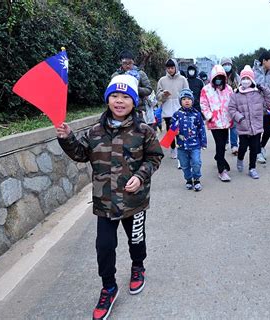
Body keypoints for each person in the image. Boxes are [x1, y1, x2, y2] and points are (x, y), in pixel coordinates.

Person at [55, 74, 164, 319]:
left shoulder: (143, 130)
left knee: (136, 240)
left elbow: (154, 157)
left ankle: (138, 267)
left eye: (125, 96)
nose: (119, 101)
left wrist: (141, 176)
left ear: (134, 102)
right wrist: (67, 138)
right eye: (114, 95)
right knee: (104, 247)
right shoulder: (94, 131)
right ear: (107, 99)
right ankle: (109, 287)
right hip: (104, 202)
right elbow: (81, 154)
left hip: (134, 202)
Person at [228, 65, 270, 179]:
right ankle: (240, 159)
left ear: (252, 80)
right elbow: (231, 109)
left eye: (248, 78)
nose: (245, 81)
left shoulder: (258, 92)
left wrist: (264, 89)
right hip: (243, 127)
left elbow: (269, 102)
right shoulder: (236, 94)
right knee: (243, 147)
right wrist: (240, 118)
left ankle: (252, 168)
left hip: (256, 126)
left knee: (254, 148)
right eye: (243, 78)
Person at [200, 64, 233, 182]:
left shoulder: (228, 89)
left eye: (221, 77)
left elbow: (233, 103)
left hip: (226, 121)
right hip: (214, 122)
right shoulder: (206, 89)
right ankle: (221, 170)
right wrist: (209, 116)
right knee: (219, 144)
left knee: (223, 144)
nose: (219, 79)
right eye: (217, 77)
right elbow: (203, 104)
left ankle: (219, 157)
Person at [171, 88, 207, 191]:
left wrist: (203, 142)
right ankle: (188, 179)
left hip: (195, 145)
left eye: (189, 99)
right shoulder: (177, 115)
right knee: (184, 165)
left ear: (192, 100)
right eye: (184, 99)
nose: (187, 101)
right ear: (180, 101)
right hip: (181, 146)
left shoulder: (197, 114)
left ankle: (196, 179)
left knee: (196, 162)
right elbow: (171, 128)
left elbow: (201, 129)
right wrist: (174, 130)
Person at [156, 58, 189, 165]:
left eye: (172, 67)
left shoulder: (183, 79)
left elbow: (187, 93)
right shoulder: (162, 80)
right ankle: (173, 148)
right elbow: (158, 96)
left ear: (176, 67)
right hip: (167, 109)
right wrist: (163, 95)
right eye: (168, 68)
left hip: (179, 108)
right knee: (171, 130)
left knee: (180, 131)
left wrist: (186, 105)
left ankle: (181, 150)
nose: (170, 70)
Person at [112, 50, 153, 123]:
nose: (127, 65)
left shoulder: (140, 74)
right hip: (121, 108)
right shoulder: (116, 75)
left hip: (138, 109)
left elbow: (149, 90)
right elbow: (111, 92)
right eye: (125, 63)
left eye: (130, 63)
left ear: (133, 62)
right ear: (120, 63)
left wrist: (135, 89)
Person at [253, 51, 270, 164]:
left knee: (269, 127)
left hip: (268, 107)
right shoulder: (253, 73)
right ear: (264, 61)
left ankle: (262, 146)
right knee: (257, 131)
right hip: (256, 106)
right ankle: (257, 153)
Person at [220, 57, 240, 155]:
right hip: (222, 104)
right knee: (223, 126)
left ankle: (234, 145)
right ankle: (224, 143)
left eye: (228, 64)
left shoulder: (236, 76)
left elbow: (240, 87)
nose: (227, 66)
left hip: (234, 103)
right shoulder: (219, 76)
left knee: (234, 125)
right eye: (224, 64)